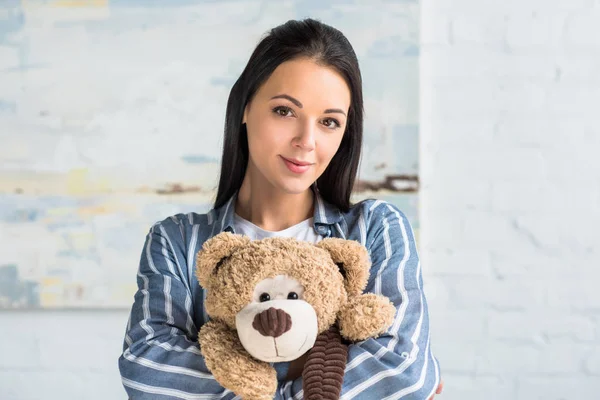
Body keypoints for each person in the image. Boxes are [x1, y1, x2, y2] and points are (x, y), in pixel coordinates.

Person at [118, 18, 443, 400]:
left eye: (329, 122)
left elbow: (403, 368)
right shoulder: (177, 241)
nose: (307, 141)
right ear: (245, 106)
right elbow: (147, 369)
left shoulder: (374, 230)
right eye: (285, 111)